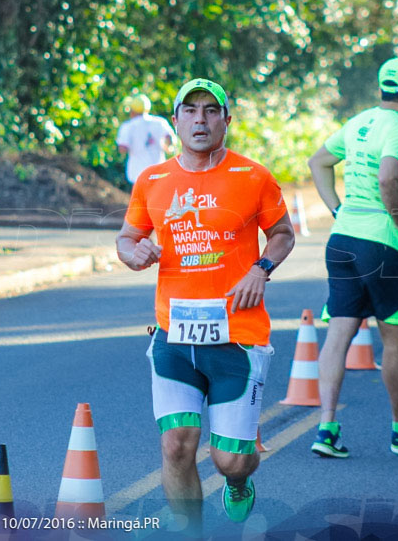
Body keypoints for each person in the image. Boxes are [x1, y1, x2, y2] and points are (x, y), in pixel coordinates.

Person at [116, 78, 294, 534]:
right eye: (190, 110)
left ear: (226, 121)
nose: (200, 119)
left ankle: (238, 481)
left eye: (211, 110)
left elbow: (283, 233)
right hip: (172, 336)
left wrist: (260, 269)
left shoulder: (253, 176)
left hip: (238, 336)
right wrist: (132, 252)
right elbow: (128, 236)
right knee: (176, 445)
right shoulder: (152, 180)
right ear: (174, 122)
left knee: (231, 460)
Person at [306, 57, 398, 460]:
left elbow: (317, 161)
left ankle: (326, 428)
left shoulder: (359, 122)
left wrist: (338, 209)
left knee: (339, 333)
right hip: (383, 244)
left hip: (342, 240)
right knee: (397, 339)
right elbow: (388, 176)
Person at [116, 94, 175, 185]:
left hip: (138, 175)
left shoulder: (128, 126)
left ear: (133, 110)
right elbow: (170, 138)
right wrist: (167, 147)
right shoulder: (160, 122)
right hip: (158, 174)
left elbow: (122, 149)